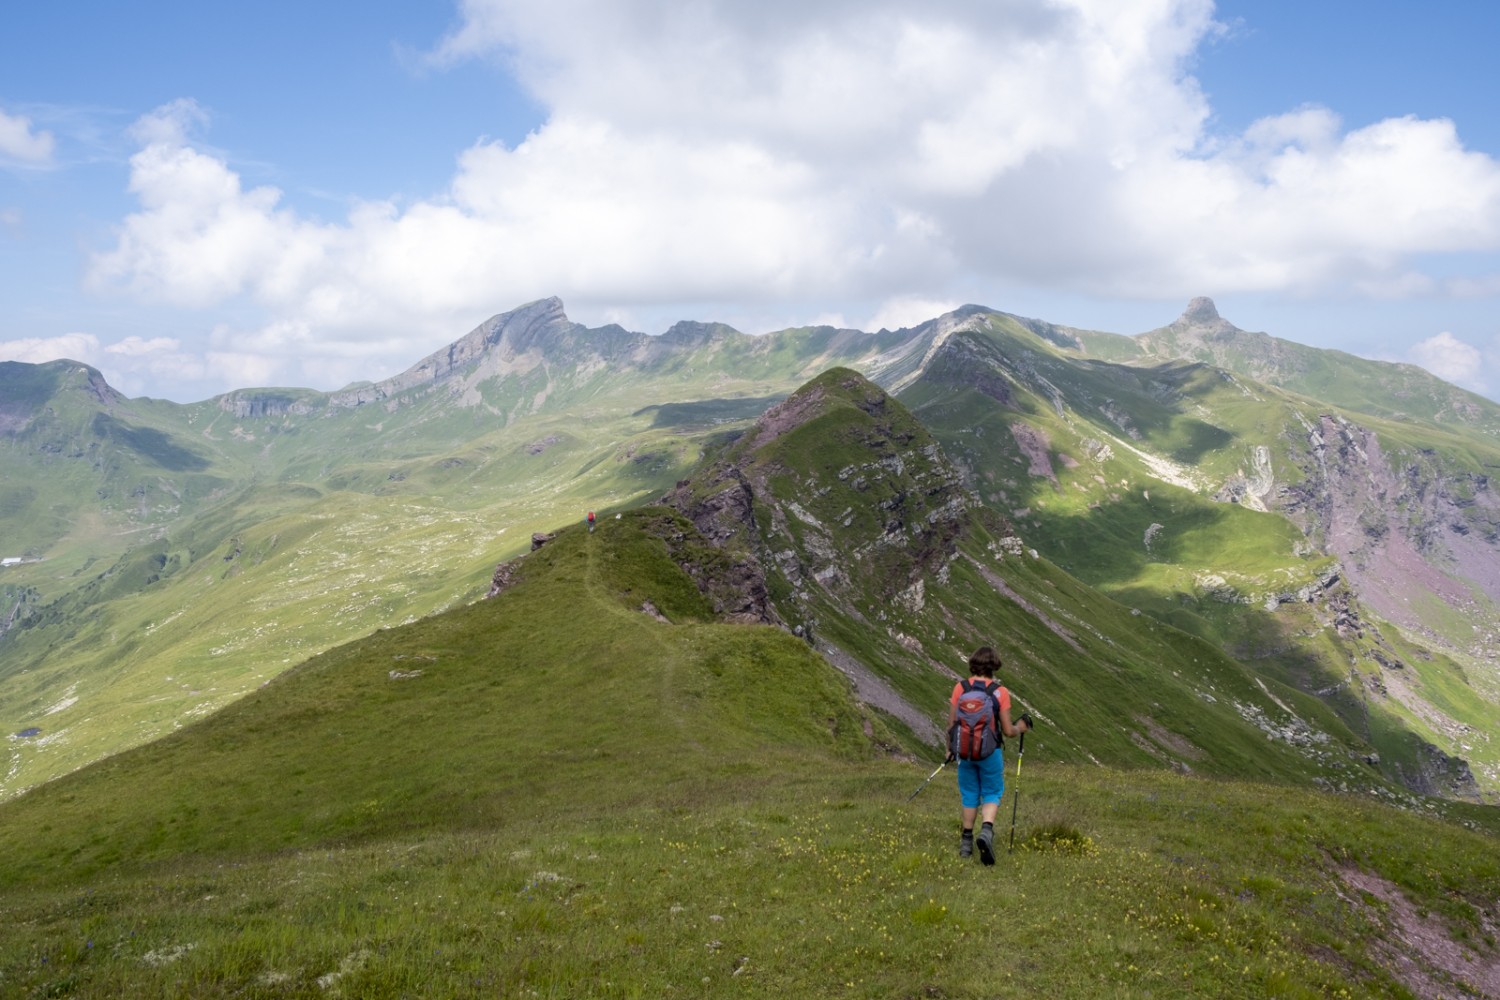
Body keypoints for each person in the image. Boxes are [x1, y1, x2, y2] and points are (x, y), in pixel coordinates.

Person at [949, 646, 1031, 865]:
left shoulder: (960, 688)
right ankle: (986, 831)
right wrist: (1020, 728)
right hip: (989, 753)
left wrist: (951, 749)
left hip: (965, 753)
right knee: (992, 791)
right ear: (993, 666)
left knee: (969, 793)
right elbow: (1007, 731)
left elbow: (953, 724)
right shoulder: (999, 692)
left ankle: (966, 843)